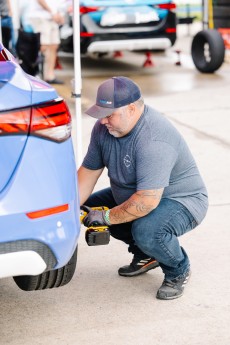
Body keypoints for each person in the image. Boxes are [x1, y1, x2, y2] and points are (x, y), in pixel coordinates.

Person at [78, 76, 208, 300]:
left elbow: (146, 201)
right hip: (136, 195)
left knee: (147, 230)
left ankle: (178, 269)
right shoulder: (103, 130)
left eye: (109, 115)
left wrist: (107, 217)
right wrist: (66, 208)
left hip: (181, 201)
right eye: (100, 114)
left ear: (131, 109)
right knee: (89, 208)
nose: (102, 121)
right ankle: (146, 254)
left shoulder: (153, 139)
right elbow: (86, 175)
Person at [27, 0, 65, 84]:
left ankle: (49, 76)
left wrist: (59, 14)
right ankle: (37, 74)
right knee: (43, 46)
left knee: (54, 45)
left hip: (52, 17)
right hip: (40, 16)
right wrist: (53, 13)